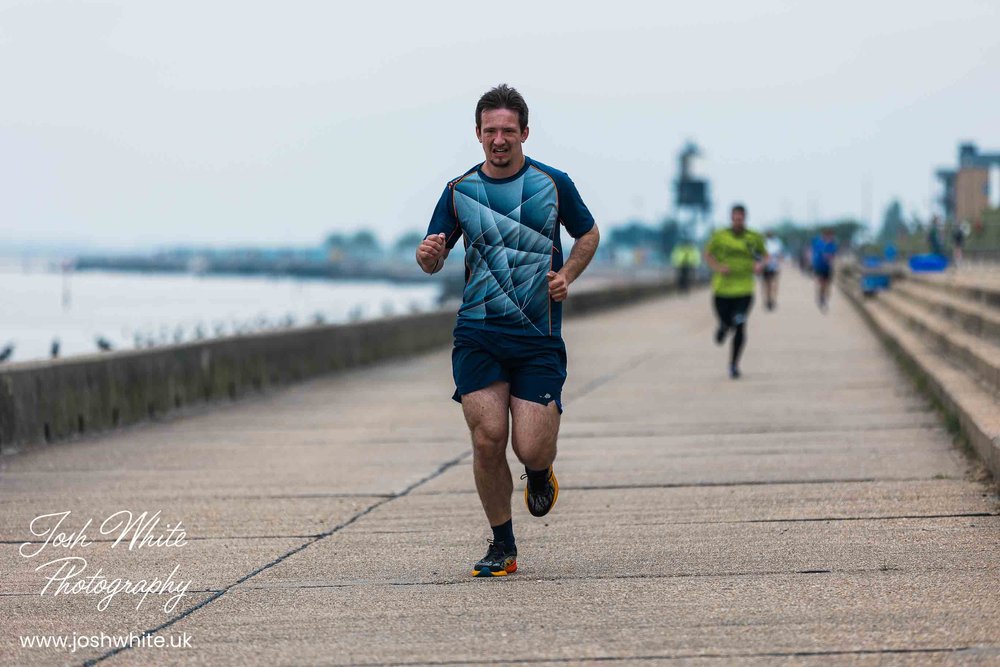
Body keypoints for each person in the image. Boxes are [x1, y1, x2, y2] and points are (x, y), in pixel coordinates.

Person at [416, 84, 600, 578]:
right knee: (487, 437)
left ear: (524, 132)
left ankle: (539, 474)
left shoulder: (553, 183)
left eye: (508, 130)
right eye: (490, 130)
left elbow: (588, 233)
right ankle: (503, 545)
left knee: (530, 447)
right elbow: (432, 253)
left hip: (537, 335)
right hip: (477, 332)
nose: (499, 139)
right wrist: (428, 256)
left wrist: (567, 276)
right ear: (477, 133)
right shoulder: (459, 191)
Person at [704, 204, 767, 379]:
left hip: (744, 289)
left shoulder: (753, 237)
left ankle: (733, 364)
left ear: (745, 218)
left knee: (740, 325)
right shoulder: (720, 236)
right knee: (726, 321)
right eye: (735, 217)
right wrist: (717, 267)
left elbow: (765, 255)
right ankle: (723, 327)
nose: (738, 220)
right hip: (722, 289)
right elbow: (708, 254)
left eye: (741, 218)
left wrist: (760, 265)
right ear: (731, 218)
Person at [811, 228, 838, 312]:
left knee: (827, 285)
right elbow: (816, 253)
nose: (830, 237)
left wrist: (830, 258)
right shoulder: (818, 243)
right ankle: (821, 297)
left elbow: (833, 255)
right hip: (819, 266)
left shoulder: (833, 244)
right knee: (821, 283)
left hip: (828, 267)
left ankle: (824, 298)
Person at [761, 230, 783, 310]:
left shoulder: (777, 242)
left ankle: (773, 299)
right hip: (765, 267)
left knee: (774, 284)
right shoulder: (763, 242)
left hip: (774, 266)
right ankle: (768, 300)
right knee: (767, 284)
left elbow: (780, 254)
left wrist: (779, 264)